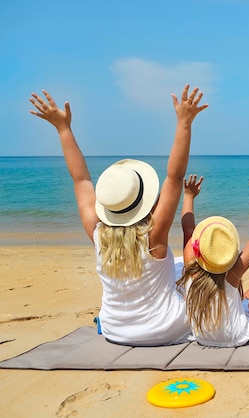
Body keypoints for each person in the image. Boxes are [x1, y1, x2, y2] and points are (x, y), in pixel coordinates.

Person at [29, 85, 208, 346]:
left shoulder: (98, 234)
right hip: (164, 329)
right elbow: (175, 176)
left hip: (114, 330)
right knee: (195, 268)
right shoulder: (153, 236)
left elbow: (81, 180)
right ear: (145, 200)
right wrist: (184, 123)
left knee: (177, 265)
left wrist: (63, 129)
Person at [176, 178, 249, 347]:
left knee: (247, 294)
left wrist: (188, 196)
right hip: (238, 336)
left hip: (203, 338)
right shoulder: (232, 276)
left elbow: (188, 230)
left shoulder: (191, 273)